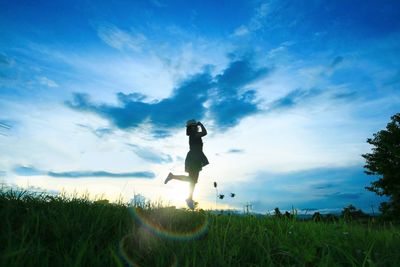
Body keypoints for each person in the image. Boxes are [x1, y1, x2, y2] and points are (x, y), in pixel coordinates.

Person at [164, 119, 209, 209]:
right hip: (194, 158)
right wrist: (201, 125)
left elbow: (203, 134)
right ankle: (189, 198)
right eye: (195, 126)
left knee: (193, 180)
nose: (196, 127)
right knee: (193, 180)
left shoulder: (193, 135)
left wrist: (199, 125)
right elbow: (205, 132)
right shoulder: (194, 135)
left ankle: (189, 198)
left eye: (196, 126)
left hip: (195, 158)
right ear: (192, 127)